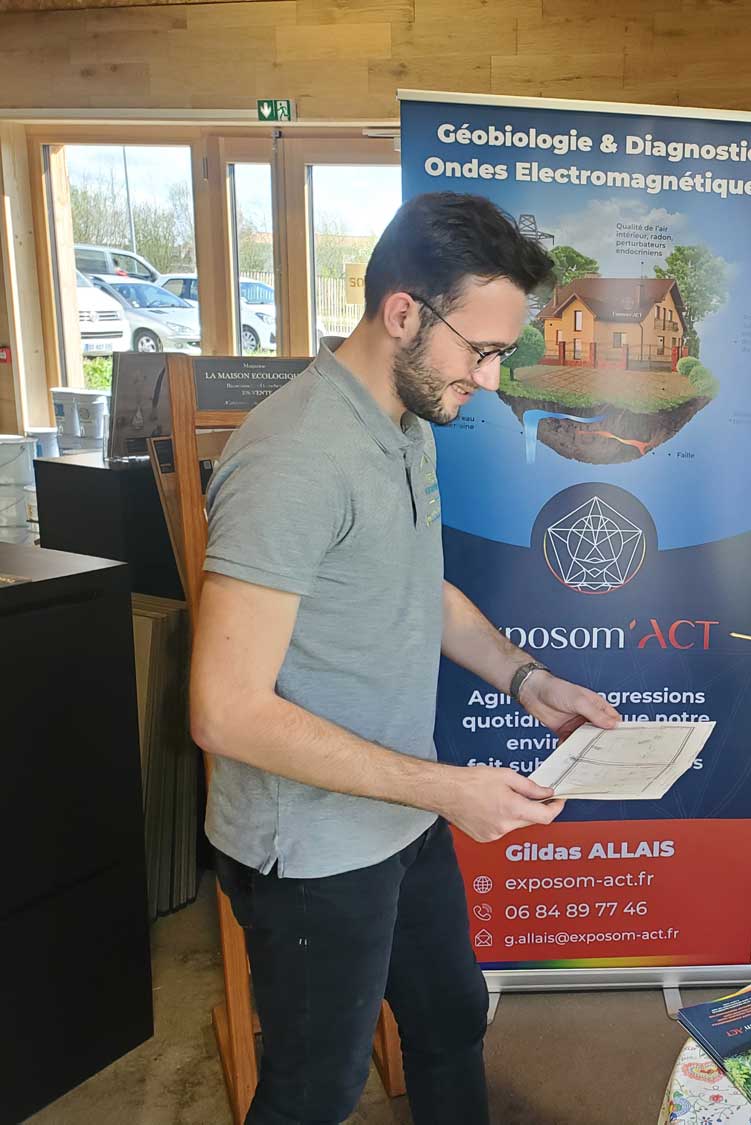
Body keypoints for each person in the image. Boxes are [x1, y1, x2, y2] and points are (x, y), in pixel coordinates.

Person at [190, 192, 623, 1125]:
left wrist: (528, 680)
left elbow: (415, 588)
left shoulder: (408, 423)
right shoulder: (294, 457)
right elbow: (223, 709)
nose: (495, 380)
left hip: (399, 806)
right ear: (401, 314)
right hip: (308, 846)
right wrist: (442, 788)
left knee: (450, 1013)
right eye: (483, 349)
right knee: (317, 1090)